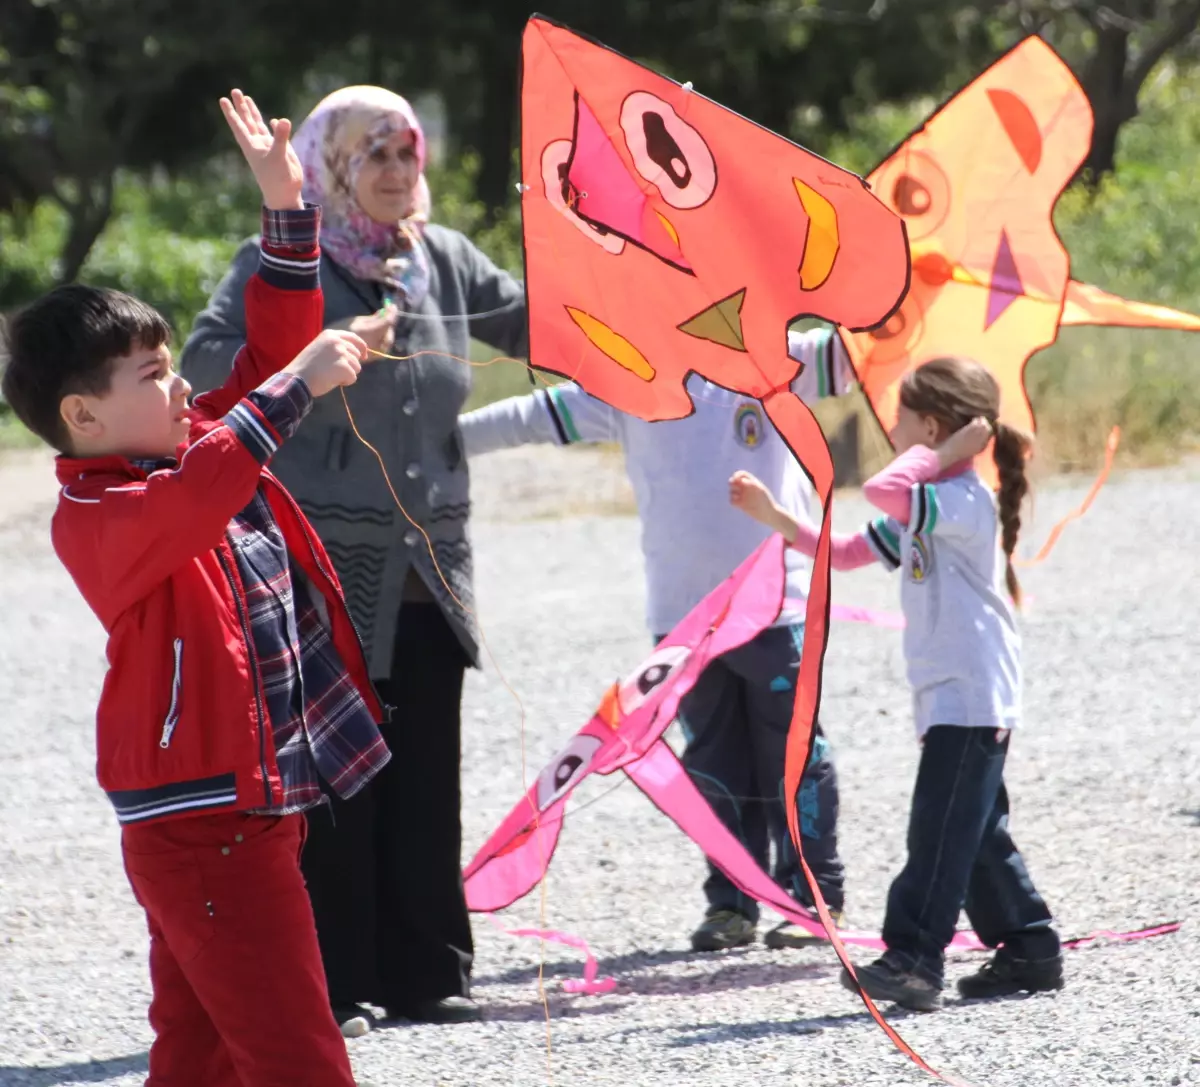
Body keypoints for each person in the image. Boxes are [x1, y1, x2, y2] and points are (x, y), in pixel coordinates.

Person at [0, 91, 388, 1085]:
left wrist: (284, 210)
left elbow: (269, 353)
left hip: (240, 809)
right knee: (299, 1053)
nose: (181, 389)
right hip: (200, 825)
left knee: (204, 1051)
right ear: (83, 415)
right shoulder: (100, 515)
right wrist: (297, 382)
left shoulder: (190, 445)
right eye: (153, 374)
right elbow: (236, 445)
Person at [181, 85, 527, 1029]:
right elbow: (207, 368)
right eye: (374, 155)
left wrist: (633, 268)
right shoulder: (280, 260)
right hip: (321, 572)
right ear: (334, 164)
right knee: (336, 779)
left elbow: (541, 326)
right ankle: (337, 982)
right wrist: (316, 349)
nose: (395, 172)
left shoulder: (441, 258)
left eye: (406, 153)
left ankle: (430, 972)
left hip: (431, 574)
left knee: (425, 772)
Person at [458, 328, 850, 952]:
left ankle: (813, 897)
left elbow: (867, 349)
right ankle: (733, 901)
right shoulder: (629, 377)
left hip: (777, 607)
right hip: (682, 622)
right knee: (712, 761)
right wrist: (441, 437)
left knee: (794, 755)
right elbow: (535, 415)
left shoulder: (779, 355)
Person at [730, 355, 1064, 1011]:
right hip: (951, 696)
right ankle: (1029, 947)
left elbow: (883, 490)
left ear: (933, 430)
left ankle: (914, 958)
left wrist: (952, 452)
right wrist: (775, 516)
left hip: (971, 696)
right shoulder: (931, 505)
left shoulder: (960, 500)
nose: (893, 427)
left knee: (938, 831)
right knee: (975, 831)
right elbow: (852, 549)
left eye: (903, 418)